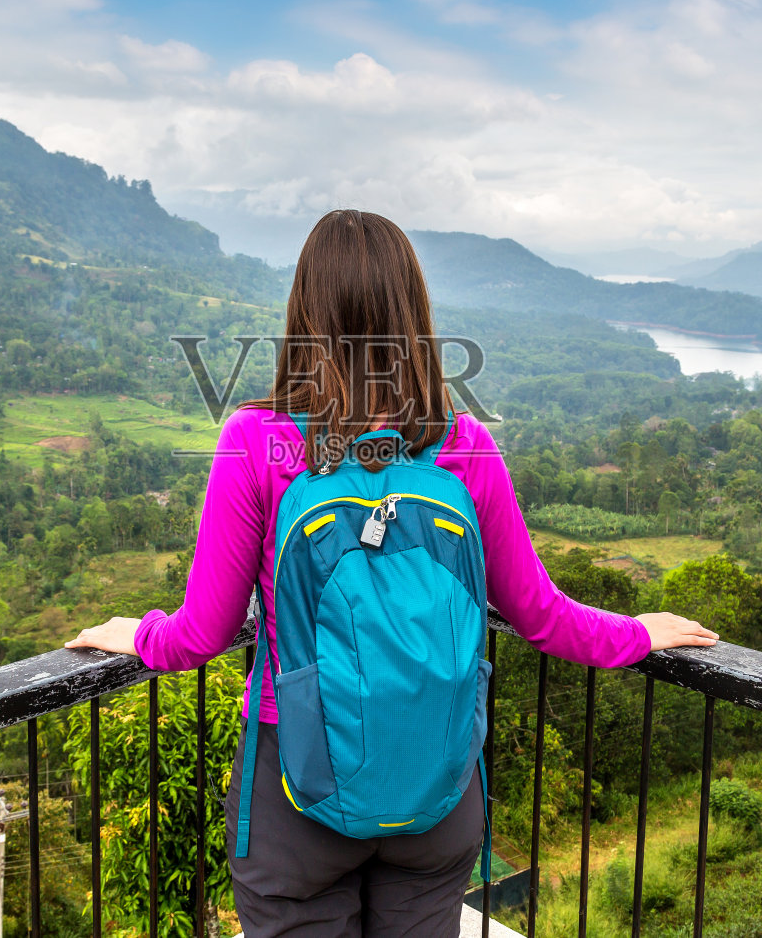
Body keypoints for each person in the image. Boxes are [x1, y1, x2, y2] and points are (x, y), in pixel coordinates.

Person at [66, 209, 718, 937]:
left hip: (298, 789)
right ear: (413, 314)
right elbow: (539, 613)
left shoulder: (256, 440)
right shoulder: (464, 444)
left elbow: (202, 633)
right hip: (436, 791)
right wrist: (637, 631)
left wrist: (139, 633)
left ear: (305, 315)